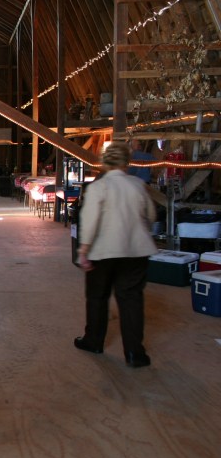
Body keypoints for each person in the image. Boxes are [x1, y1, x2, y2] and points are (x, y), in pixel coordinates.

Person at [75, 142, 157, 368]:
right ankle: (134, 353)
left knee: (97, 297)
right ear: (126, 162)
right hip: (135, 250)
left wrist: (83, 250)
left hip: (103, 252)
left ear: (104, 162)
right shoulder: (138, 184)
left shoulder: (98, 187)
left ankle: (94, 341)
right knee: (131, 300)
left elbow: (90, 221)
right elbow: (150, 215)